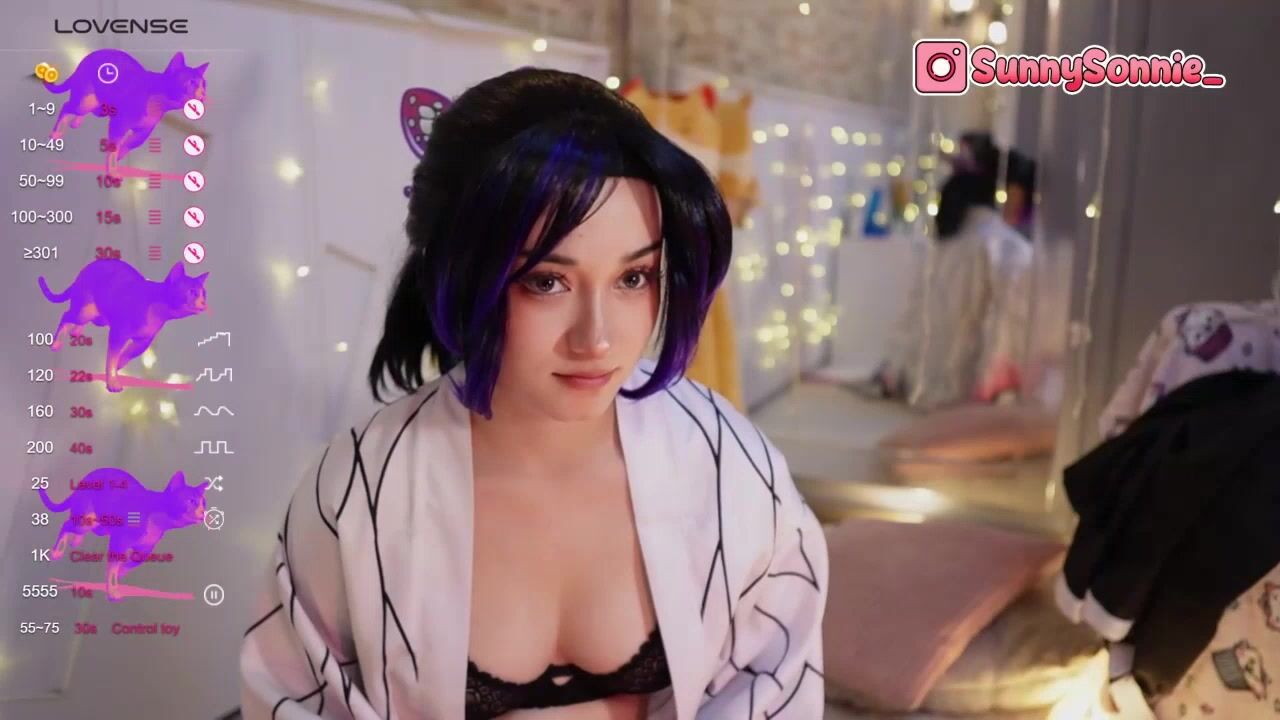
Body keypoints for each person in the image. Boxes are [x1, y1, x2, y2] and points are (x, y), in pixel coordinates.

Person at [238, 67, 828, 719]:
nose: (597, 338)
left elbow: (775, 684)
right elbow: (292, 696)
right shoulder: (359, 491)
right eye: (547, 282)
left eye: (633, 277)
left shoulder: (728, 466)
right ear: (463, 275)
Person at [868, 132, 1032, 408]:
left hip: (931, 380)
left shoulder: (952, 243)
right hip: (966, 386)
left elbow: (914, 313)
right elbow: (1010, 322)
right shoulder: (1002, 246)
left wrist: (895, 367)